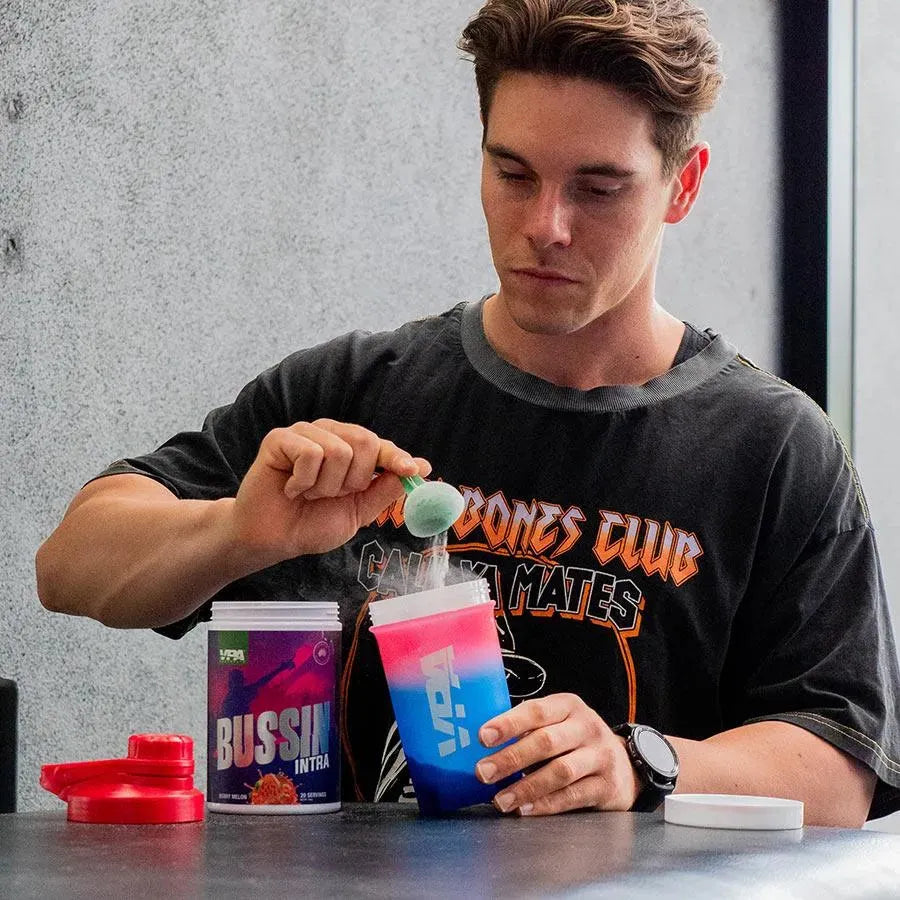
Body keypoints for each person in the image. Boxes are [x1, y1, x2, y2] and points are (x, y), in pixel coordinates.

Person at [36, 0, 900, 826]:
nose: (546, 226)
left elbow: (841, 769)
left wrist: (638, 761)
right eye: (513, 174)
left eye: (599, 189)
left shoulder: (772, 447)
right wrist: (238, 534)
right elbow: (69, 566)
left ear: (684, 185)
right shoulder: (356, 390)